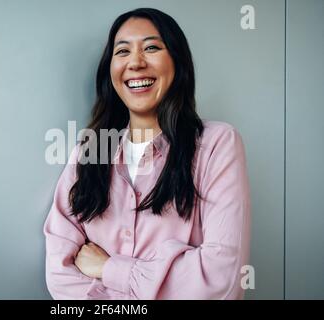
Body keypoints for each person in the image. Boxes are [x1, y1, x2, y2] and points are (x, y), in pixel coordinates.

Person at [43, 7, 251, 300]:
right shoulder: (89, 150)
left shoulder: (217, 144)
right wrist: (164, 276)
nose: (136, 63)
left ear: (178, 63)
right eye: (123, 51)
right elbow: (59, 272)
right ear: (110, 70)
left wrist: (109, 269)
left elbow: (220, 280)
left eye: (152, 47)